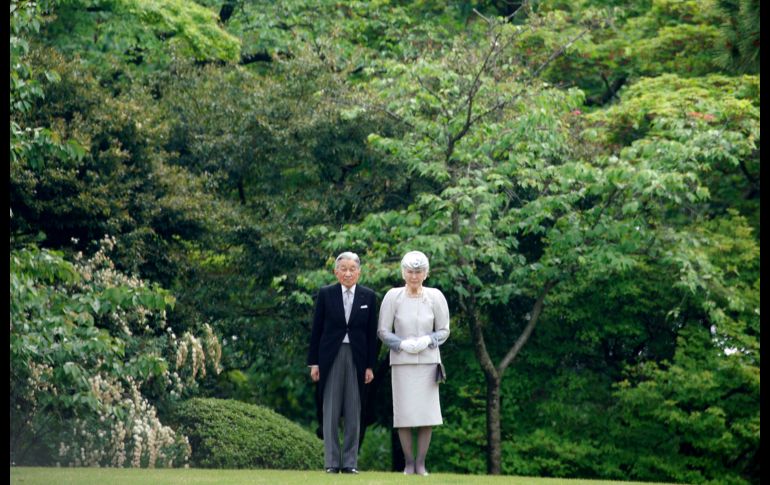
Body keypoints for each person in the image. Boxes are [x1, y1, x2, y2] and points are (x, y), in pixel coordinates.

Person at [378, 250, 450, 476]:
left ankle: (421, 463)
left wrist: (429, 340)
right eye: (410, 271)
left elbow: (445, 329)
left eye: (418, 272)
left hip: (428, 362)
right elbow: (382, 330)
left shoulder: (435, 296)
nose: (414, 276)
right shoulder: (393, 296)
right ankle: (408, 464)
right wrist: (401, 344)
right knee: (405, 415)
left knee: (427, 414)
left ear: (426, 273)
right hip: (402, 363)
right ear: (403, 272)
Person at [307, 252, 379, 474]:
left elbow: (371, 335)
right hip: (331, 356)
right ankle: (331, 462)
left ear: (359, 272)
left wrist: (370, 366)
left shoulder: (369, 296)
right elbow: (317, 330)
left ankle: (349, 463)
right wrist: (314, 363)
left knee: (353, 410)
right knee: (330, 410)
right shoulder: (326, 294)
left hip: (358, 358)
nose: (348, 273)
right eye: (343, 269)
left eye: (352, 269)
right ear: (336, 272)